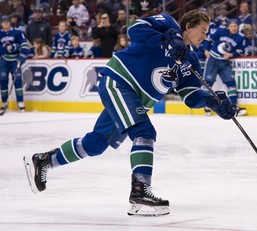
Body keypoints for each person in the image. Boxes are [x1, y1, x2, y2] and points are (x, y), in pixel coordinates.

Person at [23, 10, 236, 217]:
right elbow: (134, 29)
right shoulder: (169, 23)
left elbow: (190, 96)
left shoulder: (190, 60)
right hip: (120, 83)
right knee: (144, 131)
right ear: (188, 26)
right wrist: (168, 37)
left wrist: (212, 102)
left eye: (207, 33)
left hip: (134, 99)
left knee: (96, 144)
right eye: (202, 30)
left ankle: (45, 160)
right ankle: (140, 191)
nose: (205, 36)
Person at [202, 19, 246, 116]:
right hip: (213, 59)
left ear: (238, 27)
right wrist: (206, 49)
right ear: (228, 27)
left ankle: (234, 106)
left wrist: (232, 54)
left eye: (235, 26)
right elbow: (209, 38)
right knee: (208, 83)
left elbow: (240, 50)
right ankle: (206, 105)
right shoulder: (221, 31)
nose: (233, 28)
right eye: (231, 26)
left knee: (231, 83)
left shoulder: (240, 37)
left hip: (224, 62)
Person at [0, 15, 28, 114]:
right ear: (1, 24)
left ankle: (20, 102)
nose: (6, 23)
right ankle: (4, 102)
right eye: (3, 22)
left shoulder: (17, 32)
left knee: (18, 81)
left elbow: (24, 45)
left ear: (10, 22)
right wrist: (6, 49)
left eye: (7, 21)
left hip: (15, 60)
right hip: (4, 60)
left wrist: (22, 56)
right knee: (3, 81)